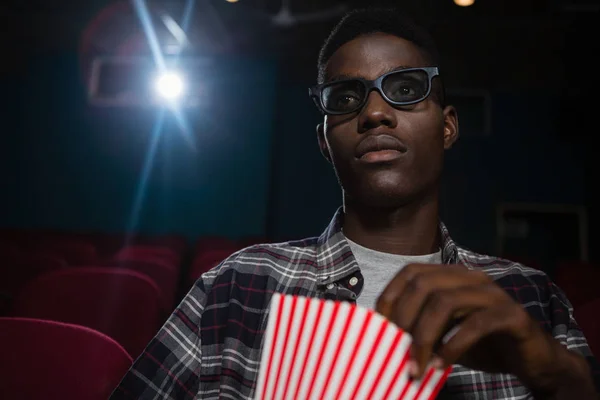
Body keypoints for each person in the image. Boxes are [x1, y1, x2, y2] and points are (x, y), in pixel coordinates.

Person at [111, 8, 600, 399]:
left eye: (406, 89)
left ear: (448, 126)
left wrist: (562, 379)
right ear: (325, 141)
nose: (375, 112)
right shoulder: (237, 286)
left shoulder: (532, 299)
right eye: (345, 98)